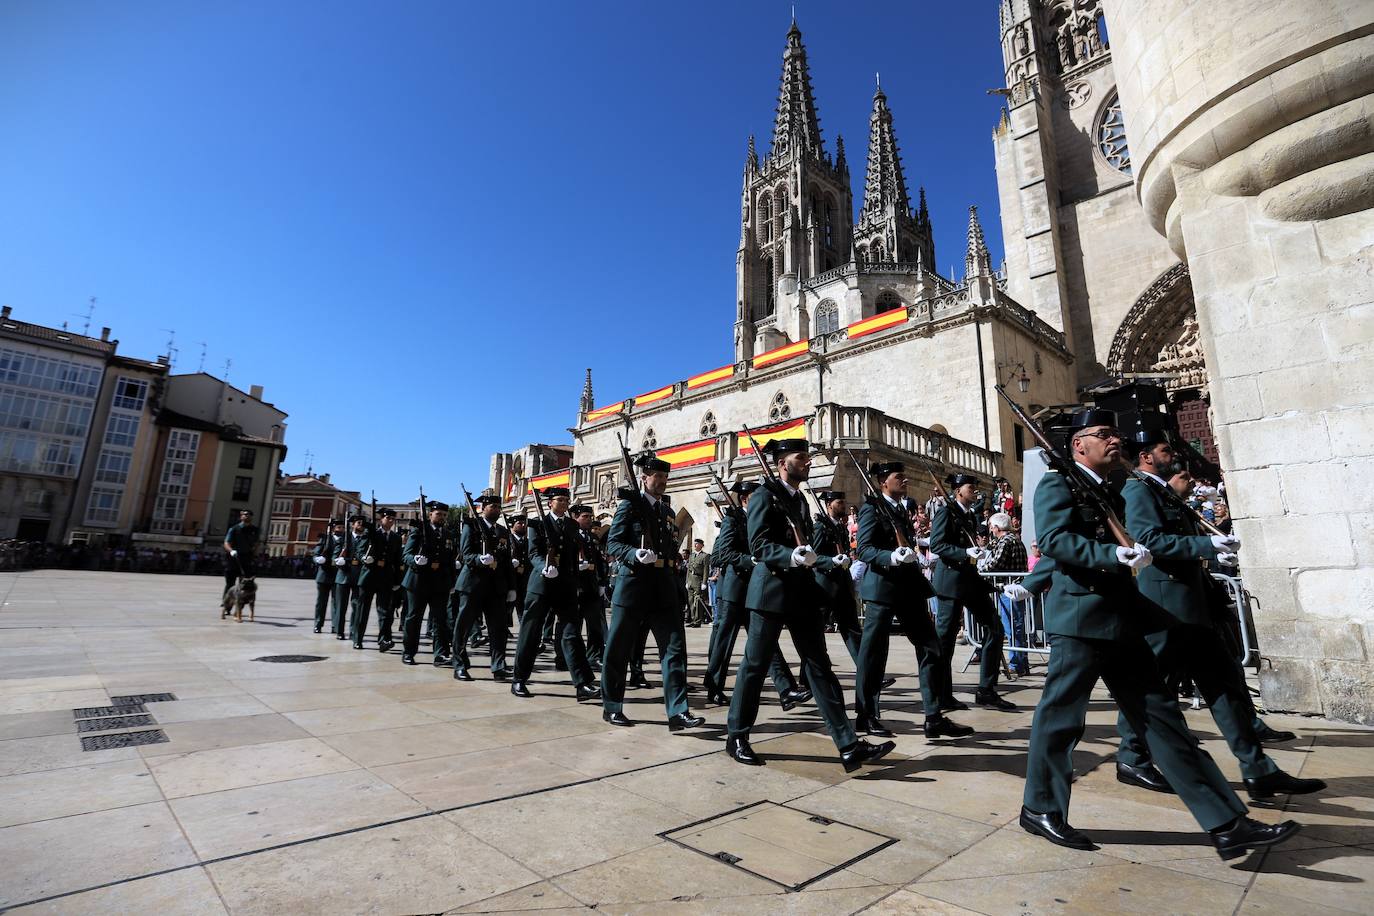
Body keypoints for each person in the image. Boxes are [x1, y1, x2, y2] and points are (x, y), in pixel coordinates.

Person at [1018, 407, 1299, 860]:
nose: (1115, 439)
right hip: (1080, 620)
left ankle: (1227, 824)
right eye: (1104, 433)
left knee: (1164, 721)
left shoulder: (1109, 489)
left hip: (1124, 620)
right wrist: (1112, 554)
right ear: (1078, 445)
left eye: (1116, 433)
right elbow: (1054, 541)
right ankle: (1040, 807)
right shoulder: (1058, 483)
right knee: (1060, 721)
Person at [1112, 419, 1323, 801]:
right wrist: (1208, 548)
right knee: (1151, 687)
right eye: (1164, 451)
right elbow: (1152, 541)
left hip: (1193, 604)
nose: (1171, 455)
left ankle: (1258, 769)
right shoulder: (1138, 490)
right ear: (1145, 456)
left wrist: (1212, 542)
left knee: (1223, 686)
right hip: (1165, 606)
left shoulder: (1162, 490)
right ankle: (1131, 757)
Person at [724, 438, 893, 772]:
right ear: (783, 463)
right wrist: (789, 555)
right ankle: (737, 735)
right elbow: (759, 546)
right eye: (801, 458)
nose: (809, 462)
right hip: (770, 592)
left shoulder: (799, 500)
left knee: (819, 667)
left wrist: (812, 557)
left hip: (800, 592)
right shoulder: (763, 495)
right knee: (755, 666)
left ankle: (848, 746)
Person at [854, 462, 972, 740]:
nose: (904, 480)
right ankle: (866, 715)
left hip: (909, 590)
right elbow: (865, 549)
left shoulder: (901, 509)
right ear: (884, 481)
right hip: (882, 589)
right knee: (873, 655)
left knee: (931, 648)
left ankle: (933, 716)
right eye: (899, 477)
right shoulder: (872, 508)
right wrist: (891, 557)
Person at [601, 455, 703, 730]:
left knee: (674, 650)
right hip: (634, 585)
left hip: (663, 587)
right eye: (657, 477)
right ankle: (612, 706)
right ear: (644, 477)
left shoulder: (667, 513)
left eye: (665, 478)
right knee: (618, 649)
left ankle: (678, 712)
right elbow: (613, 543)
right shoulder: (629, 507)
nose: (661, 482)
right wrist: (634, 553)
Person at [703, 479, 810, 710]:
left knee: (768, 643)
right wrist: (750, 559)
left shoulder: (764, 517)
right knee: (725, 641)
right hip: (734, 589)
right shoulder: (732, 519)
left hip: (755, 589)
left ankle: (786, 689)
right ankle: (714, 686)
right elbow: (722, 555)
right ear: (744, 500)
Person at [930, 474, 1014, 711]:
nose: (975, 490)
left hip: (970, 582)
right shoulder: (945, 512)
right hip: (950, 582)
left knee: (995, 629)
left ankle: (986, 690)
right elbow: (938, 545)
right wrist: (966, 553)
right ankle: (942, 694)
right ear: (958, 491)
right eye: (970, 487)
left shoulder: (968, 514)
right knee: (945, 641)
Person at [510, 487, 600, 700]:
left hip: (565, 586)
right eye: (560, 500)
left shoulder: (571, 524)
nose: (564, 503)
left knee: (571, 635)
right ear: (549, 503)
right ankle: (519, 680)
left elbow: (570, 556)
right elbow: (533, 552)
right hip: (541, 585)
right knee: (530, 634)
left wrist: (575, 580)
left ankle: (582, 683)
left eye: (566, 500)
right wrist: (543, 566)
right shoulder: (536, 522)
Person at [452, 494, 516, 681]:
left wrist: (511, 587)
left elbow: (506, 562)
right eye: (492, 506)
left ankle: (498, 666)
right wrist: (479, 560)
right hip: (473, 584)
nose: (495, 509)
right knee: (463, 627)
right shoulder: (470, 527)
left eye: (498, 507)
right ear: (483, 508)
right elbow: (465, 554)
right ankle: (460, 665)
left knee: (498, 629)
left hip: (496, 587)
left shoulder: (503, 532)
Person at [810, 490, 863, 665]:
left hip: (842, 584)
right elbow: (813, 557)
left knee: (853, 630)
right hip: (825, 586)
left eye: (843, 502)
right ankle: (808, 676)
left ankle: (867, 672)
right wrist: (831, 561)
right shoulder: (820, 526)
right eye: (839, 502)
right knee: (816, 635)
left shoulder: (839, 526)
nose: (843, 505)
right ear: (828, 505)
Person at [401, 502, 456, 666]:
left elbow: (450, 560)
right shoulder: (419, 531)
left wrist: (452, 581)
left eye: (444, 515)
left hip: (439, 583)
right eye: (439, 514)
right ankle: (408, 652)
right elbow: (406, 555)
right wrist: (415, 560)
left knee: (440, 620)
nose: (442, 518)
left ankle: (440, 654)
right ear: (430, 514)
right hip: (418, 581)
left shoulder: (448, 534)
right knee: (413, 619)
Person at [985, 512, 1030, 677]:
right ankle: (1021, 662)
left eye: (991, 527)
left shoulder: (1005, 541)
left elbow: (996, 564)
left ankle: (1016, 663)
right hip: (1015, 588)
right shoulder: (1016, 540)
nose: (990, 530)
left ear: (996, 527)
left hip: (1009, 589)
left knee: (1012, 627)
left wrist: (978, 570)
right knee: (1016, 626)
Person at [354, 507, 402, 651]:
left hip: (386, 577)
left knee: (385, 612)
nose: (391, 521)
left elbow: (397, 561)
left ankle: (384, 640)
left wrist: (397, 581)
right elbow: (359, 551)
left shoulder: (396, 537)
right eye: (388, 518)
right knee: (363, 610)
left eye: (393, 519)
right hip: (369, 575)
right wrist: (364, 558)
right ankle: (358, 639)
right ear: (381, 519)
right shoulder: (370, 533)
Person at [571, 504, 609, 671]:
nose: (589, 520)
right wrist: (574, 568)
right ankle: (567, 657)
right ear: (575, 517)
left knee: (595, 625)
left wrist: (602, 583)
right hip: (575, 586)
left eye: (590, 517)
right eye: (585, 517)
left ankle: (594, 656)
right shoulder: (570, 535)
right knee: (573, 626)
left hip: (591, 586)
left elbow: (600, 562)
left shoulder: (592, 538)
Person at [333, 515, 368, 641]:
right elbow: (335, 555)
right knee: (341, 606)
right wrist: (339, 560)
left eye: (362, 523)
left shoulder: (366, 539)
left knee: (357, 606)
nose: (361, 525)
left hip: (359, 576)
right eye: (358, 523)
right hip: (344, 575)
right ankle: (339, 631)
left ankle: (354, 631)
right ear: (352, 525)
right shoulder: (343, 538)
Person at [311, 518, 345, 634]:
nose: (341, 529)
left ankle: (335, 626)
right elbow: (315, 553)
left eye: (343, 527)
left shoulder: (346, 540)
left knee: (336, 603)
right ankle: (318, 624)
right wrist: (318, 559)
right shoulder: (325, 538)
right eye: (339, 527)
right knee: (321, 602)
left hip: (338, 575)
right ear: (333, 529)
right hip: (324, 574)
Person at [222, 509, 259, 600]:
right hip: (234, 558)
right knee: (230, 583)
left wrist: (255, 553)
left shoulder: (255, 530)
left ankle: (241, 603)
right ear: (241, 517)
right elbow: (226, 542)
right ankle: (226, 603)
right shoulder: (234, 529)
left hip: (247, 558)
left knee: (246, 584)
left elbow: (256, 543)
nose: (247, 516)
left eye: (249, 514)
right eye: (245, 514)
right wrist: (231, 551)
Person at [685, 539, 710, 627]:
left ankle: (698, 621)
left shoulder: (705, 556)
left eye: (697, 544)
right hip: (691, 579)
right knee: (691, 601)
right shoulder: (692, 555)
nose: (695, 545)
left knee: (698, 601)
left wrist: (704, 582)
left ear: (701, 545)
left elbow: (706, 570)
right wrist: (687, 581)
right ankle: (692, 619)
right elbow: (688, 569)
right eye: (695, 544)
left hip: (698, 580)